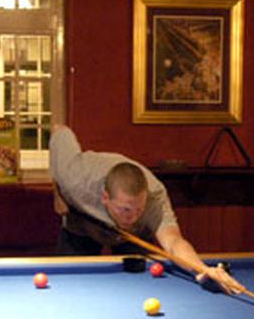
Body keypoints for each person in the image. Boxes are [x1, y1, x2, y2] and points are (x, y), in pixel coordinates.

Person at [49, 125, 243, 294]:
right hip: (81, 227)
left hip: (133, 237)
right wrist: (58, 191)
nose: (132, 217)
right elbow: (59, 130)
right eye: (125, 210)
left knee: (137, 285)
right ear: (105, 197)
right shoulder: (75, 178)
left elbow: (173, 241)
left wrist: (202, 269)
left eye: (138, 209)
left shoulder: (155, 197)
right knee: (67, 285)